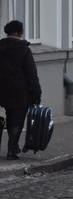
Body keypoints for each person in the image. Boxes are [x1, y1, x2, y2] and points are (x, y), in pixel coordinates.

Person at [0, 20, 42, 160]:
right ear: (19, 32)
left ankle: (13, 147)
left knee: (10, 116)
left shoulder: (1, 47)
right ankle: (12, 149)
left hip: (3, 90)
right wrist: (37, 92)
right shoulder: (24, 50)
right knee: (17, 120)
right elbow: (31, 74)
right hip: (20, 92)